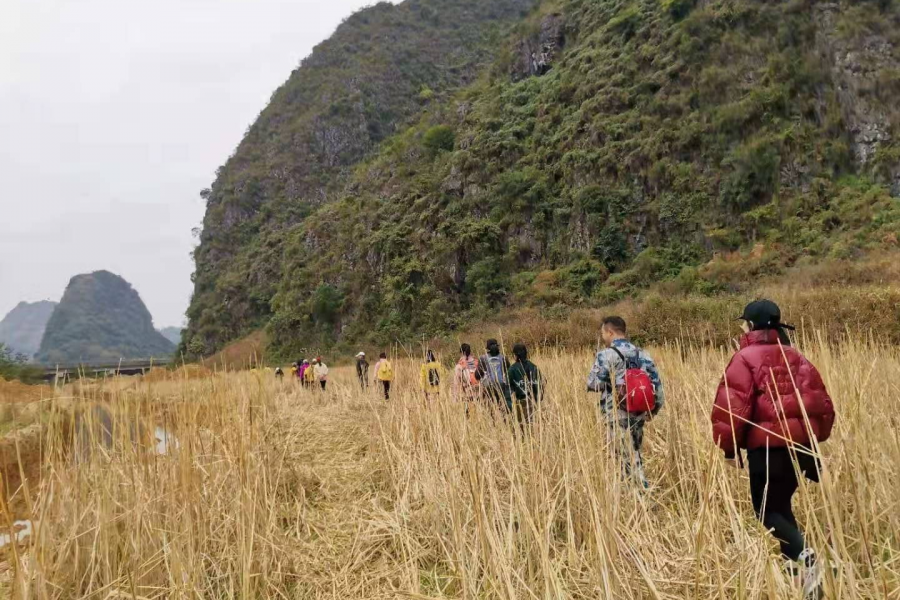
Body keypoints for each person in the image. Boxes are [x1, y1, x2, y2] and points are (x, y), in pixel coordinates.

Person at [711, 300, 835, 600]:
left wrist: (729, 450)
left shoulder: (744, 358)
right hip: (800, 449)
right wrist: (815, 438)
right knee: (781, 506)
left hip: (766, 449)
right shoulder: (797, 356)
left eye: (744, 323)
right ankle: (802, 580)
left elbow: (732, 410)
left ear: (751, 325)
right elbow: (824, 406)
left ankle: (808, 561)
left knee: (766, 511)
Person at [587, 316, 664, 488]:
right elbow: (657, 387)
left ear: (610, 332)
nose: (603, 337)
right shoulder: (643, 354)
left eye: (603, 334)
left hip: (616, 413)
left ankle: (639, 495)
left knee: (625, 459)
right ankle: (635, 493)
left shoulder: (606, 355)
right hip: (639, 412)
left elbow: (593, 383)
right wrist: (653, 410)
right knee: (635, 453)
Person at [508, 343, 543, 424]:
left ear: (515, 355)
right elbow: (541, 384)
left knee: (522, 427)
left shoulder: (512, 369)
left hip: (520, 402)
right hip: (534, 402)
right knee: (533, 425)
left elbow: (509, 387)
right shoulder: (534, 367)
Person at [475, 339, 512, 411]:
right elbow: (508, 371)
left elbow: (477, 375)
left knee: (489, 406)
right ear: (497, 346)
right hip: (501, 386)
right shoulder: (503, 357)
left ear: (487, 348)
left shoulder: (483, 358)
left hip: (488, 386)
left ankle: (492, 418)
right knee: (501, 405)